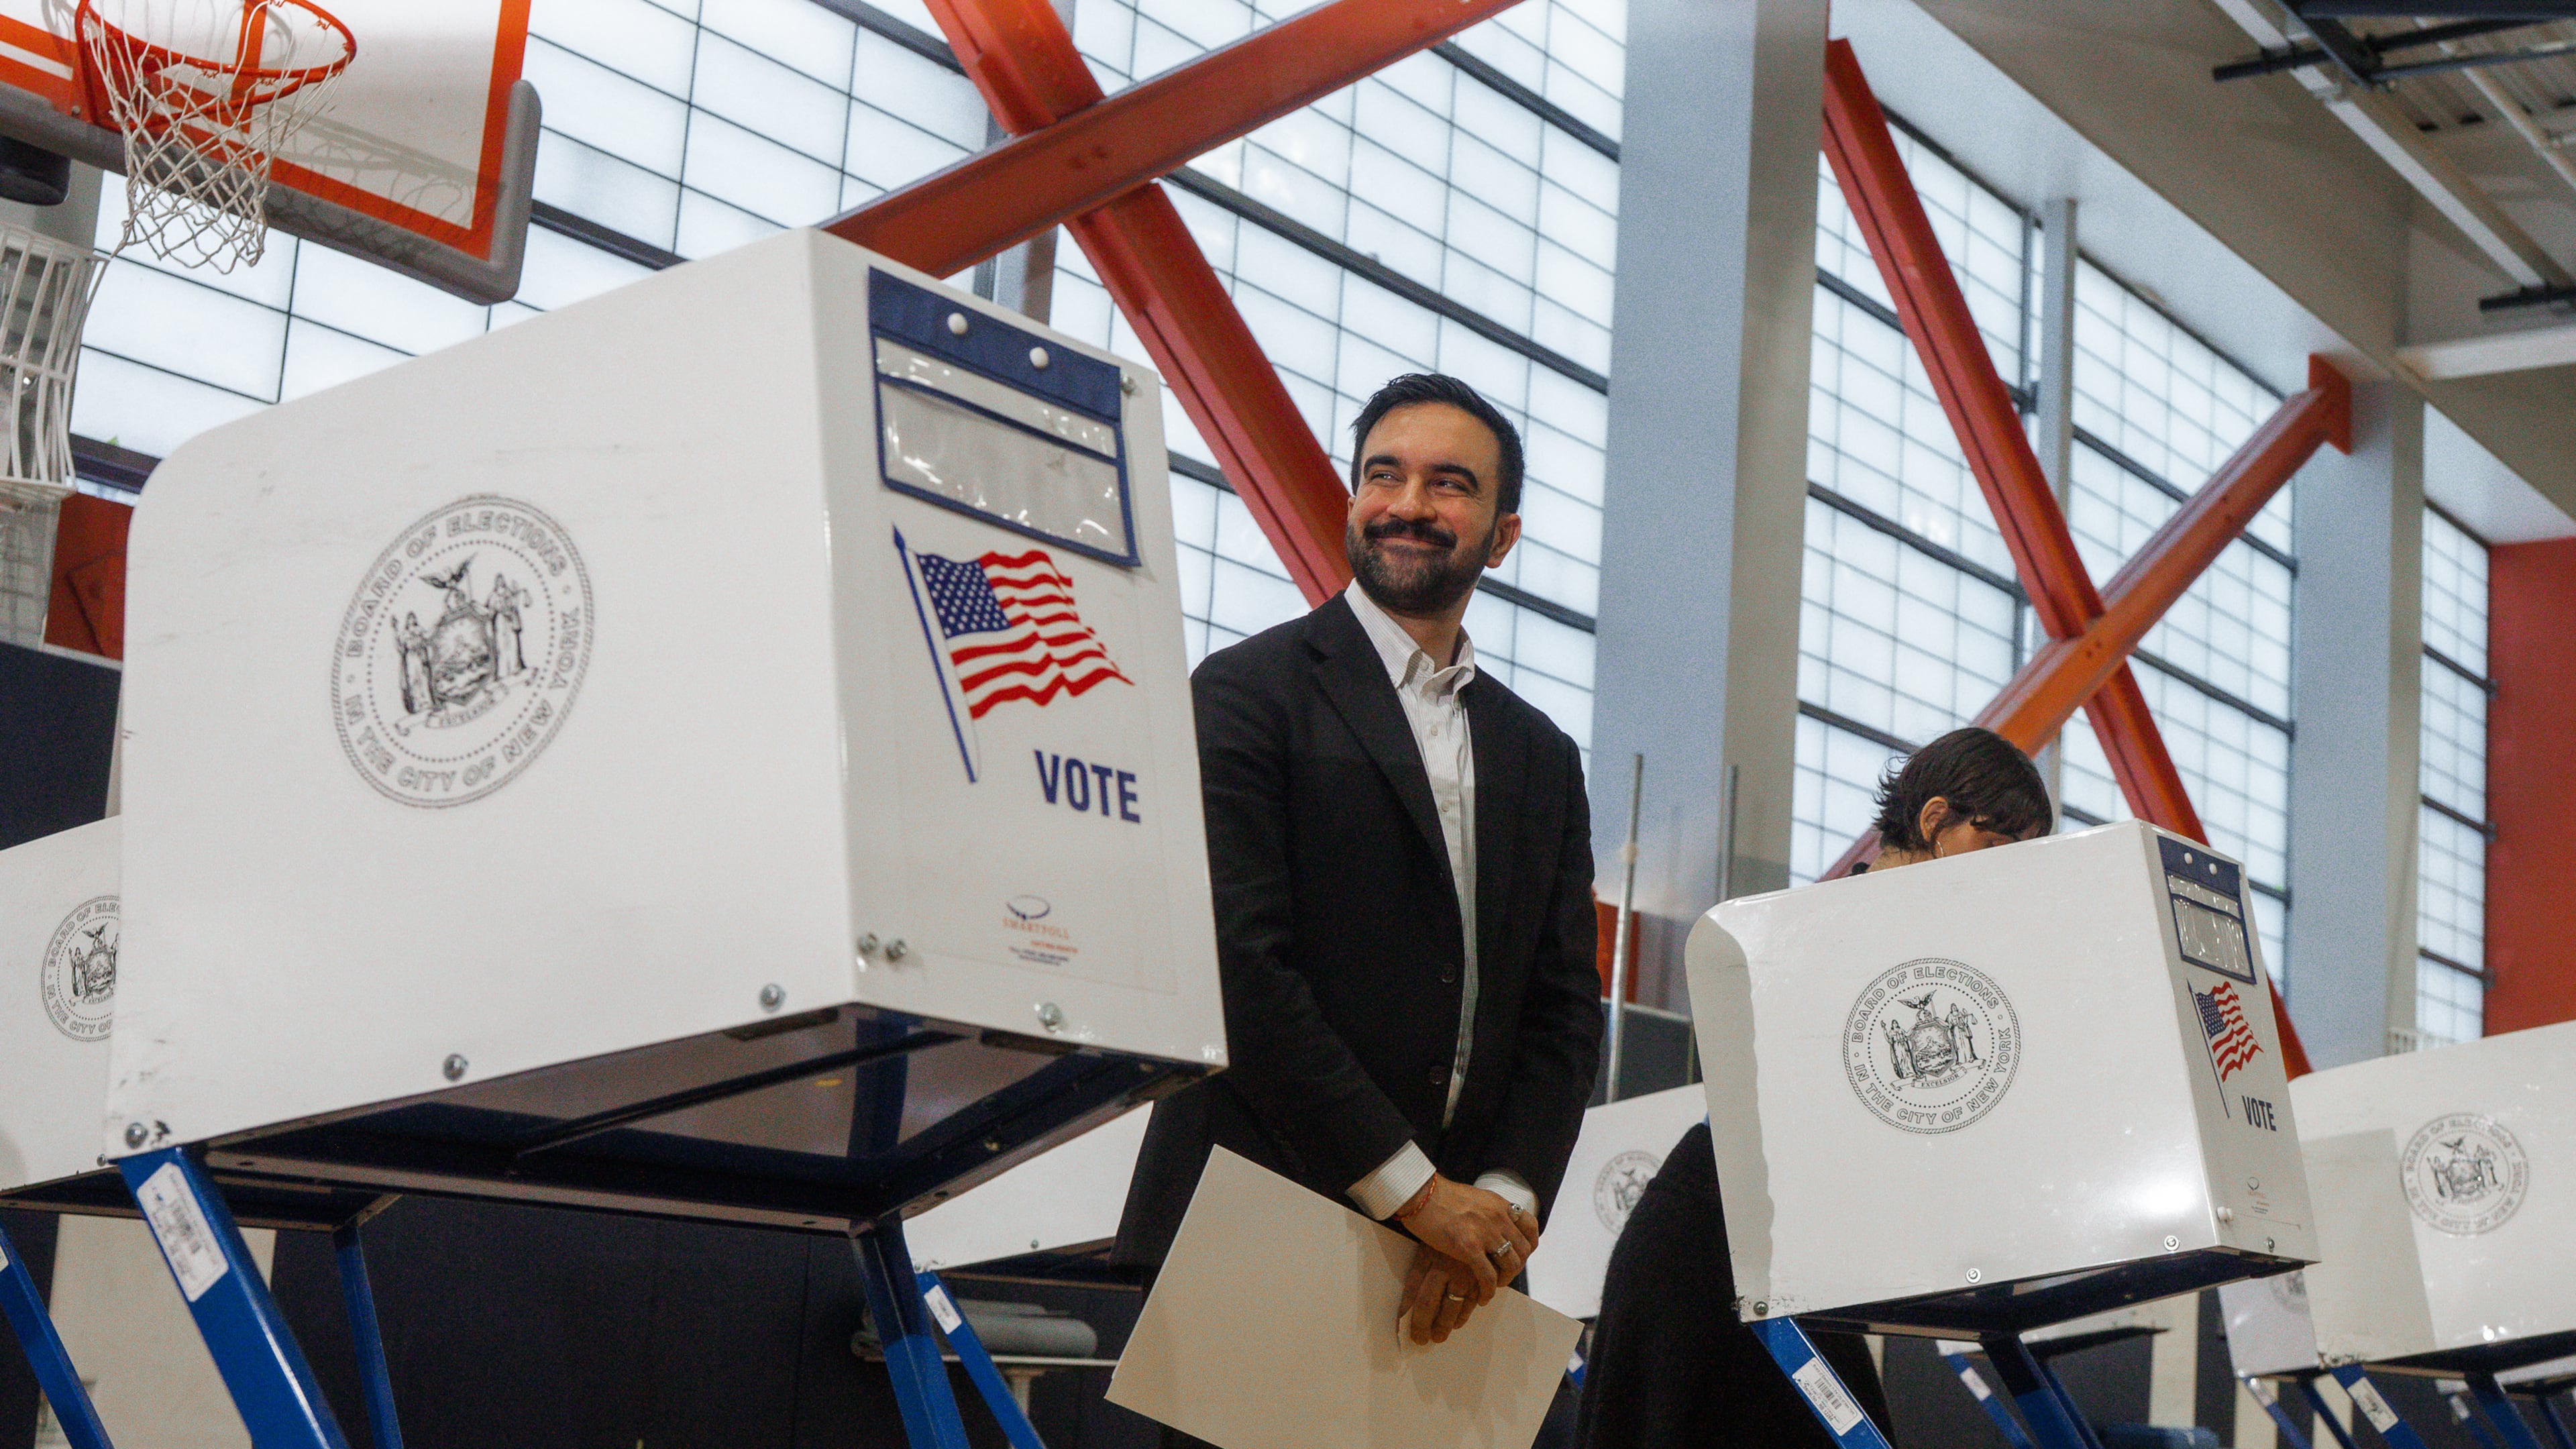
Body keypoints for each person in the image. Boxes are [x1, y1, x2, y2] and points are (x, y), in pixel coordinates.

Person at [1114, 373, 1605, 1381]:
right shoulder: (1246, 695)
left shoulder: (1542, 755)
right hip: (1257, 1220)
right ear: (1352, 503)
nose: (1411, 505)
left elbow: (1563, 1013)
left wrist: (1500, 1207)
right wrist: (1418, 1198)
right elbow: (1239, 970)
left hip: (1455, 1274)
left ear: (1502, 536)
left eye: (1449, 484)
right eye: (1385, 475)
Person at [1574, 727, 2053, 1449]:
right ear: (1933, 821)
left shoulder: (1925, 952)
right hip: (1709, 1244)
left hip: (1782, 1262)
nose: (2004, 881)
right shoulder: (1814, 935)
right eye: (1994, 851)